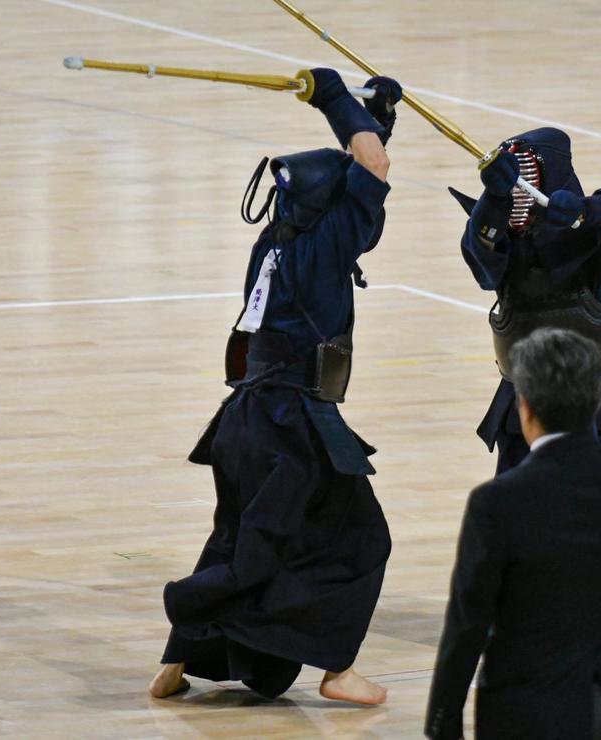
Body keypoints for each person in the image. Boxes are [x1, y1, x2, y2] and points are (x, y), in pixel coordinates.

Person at [148, 68, 402, 705]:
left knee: (239, 535)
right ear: (331, 207)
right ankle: (337, 672)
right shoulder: (324, 249)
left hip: (244, 423)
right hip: (295, 428)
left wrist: (376, 115)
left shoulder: (277, 240)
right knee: (360, 541)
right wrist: (337, 100)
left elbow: (362, 173)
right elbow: (369, 171)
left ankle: (177, 665)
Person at [424, 316, 601, 740]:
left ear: (524, 406)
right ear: (597, 398)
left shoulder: (495, 504)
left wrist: (443, 725)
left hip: (522, 708)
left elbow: (466, 625)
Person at [449, 126, 601, 597]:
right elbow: (481, 256)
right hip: (529, 404)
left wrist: (584, 210)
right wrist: (495, 200)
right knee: (525, 513)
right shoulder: (503, 240)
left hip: (600, 399)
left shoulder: (588, 238)